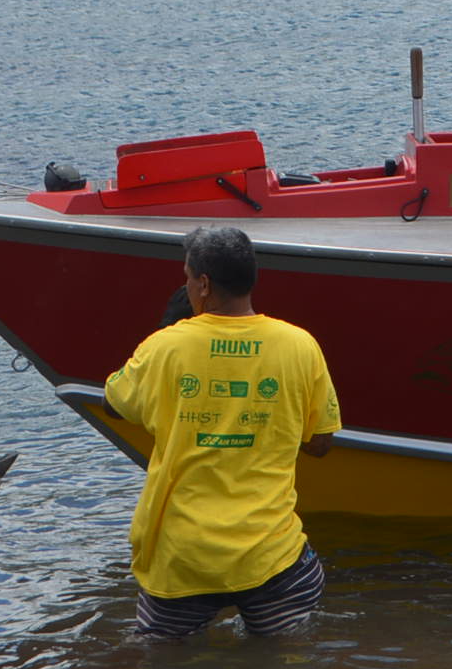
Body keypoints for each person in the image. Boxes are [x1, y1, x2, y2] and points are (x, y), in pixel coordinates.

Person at [102, 225, 339, 641]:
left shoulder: (165, 346)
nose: (186, 285)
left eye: (187, 277)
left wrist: (168, 336)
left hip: (183, 558)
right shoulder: (300, 345)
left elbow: (114, 405)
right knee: (286, 664)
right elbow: (320, 444)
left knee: (163, 664)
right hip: (270, 554)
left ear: (204, 284)